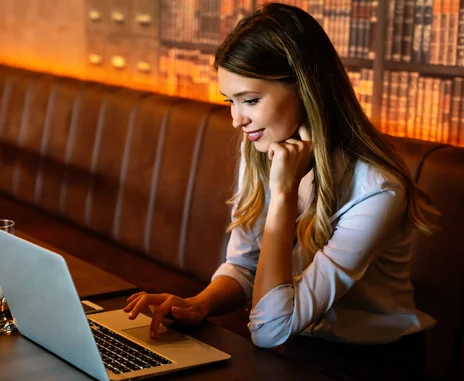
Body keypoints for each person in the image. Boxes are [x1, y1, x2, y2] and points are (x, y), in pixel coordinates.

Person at [124, 3, 437, 380]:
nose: (238, 120)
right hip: (290, 346)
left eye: (250, 100)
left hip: (367, 364)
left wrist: (284, 194)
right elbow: (245, 266)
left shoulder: (377, 190)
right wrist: (198, 304)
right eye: (231, 101)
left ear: (305, 89)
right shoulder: (261, 147)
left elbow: (271, 327)